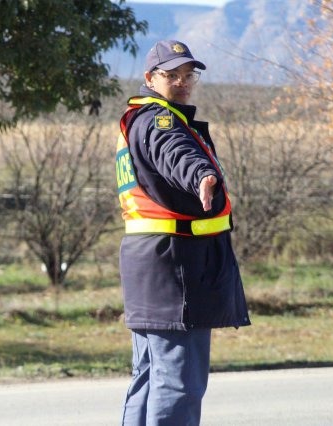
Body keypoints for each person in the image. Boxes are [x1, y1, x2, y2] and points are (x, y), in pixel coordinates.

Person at [114, 40, 250, 425]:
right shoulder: (159, 120)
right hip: (176, 271)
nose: (183, 81)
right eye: (172, 75)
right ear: (150, 78)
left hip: (151, 267)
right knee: (179, 383)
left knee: (148, 376)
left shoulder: (139, 119)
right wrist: (202, 176)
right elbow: (175, 152)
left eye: (189, 74)